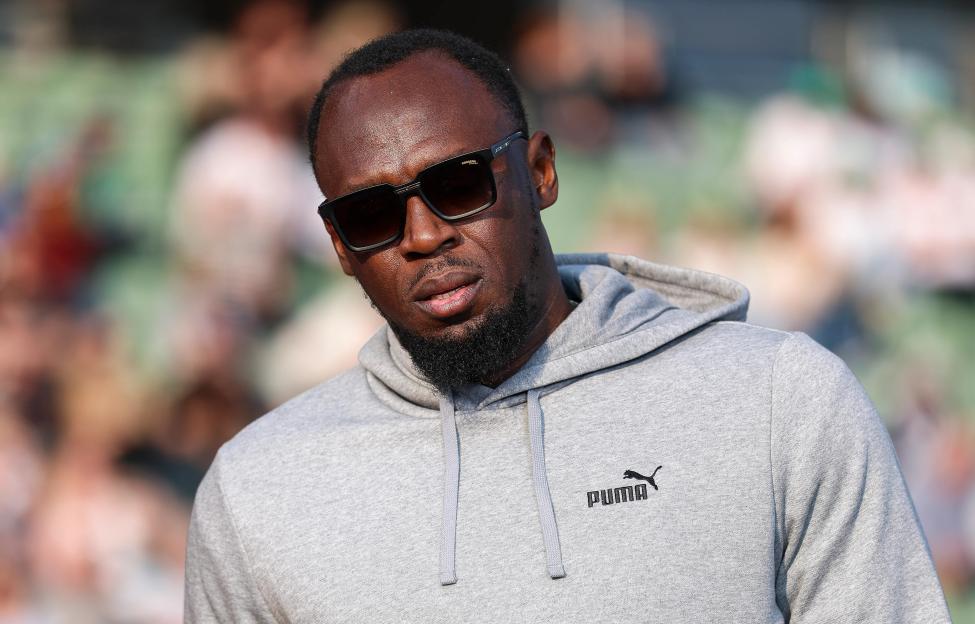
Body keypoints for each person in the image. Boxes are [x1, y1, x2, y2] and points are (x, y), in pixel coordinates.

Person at [184, 29, 950, 622]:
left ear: (541, 172)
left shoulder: (782, 403)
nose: (421, 236)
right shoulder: (257, 492)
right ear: (340, 250)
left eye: (456, 183)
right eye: (371, 215)